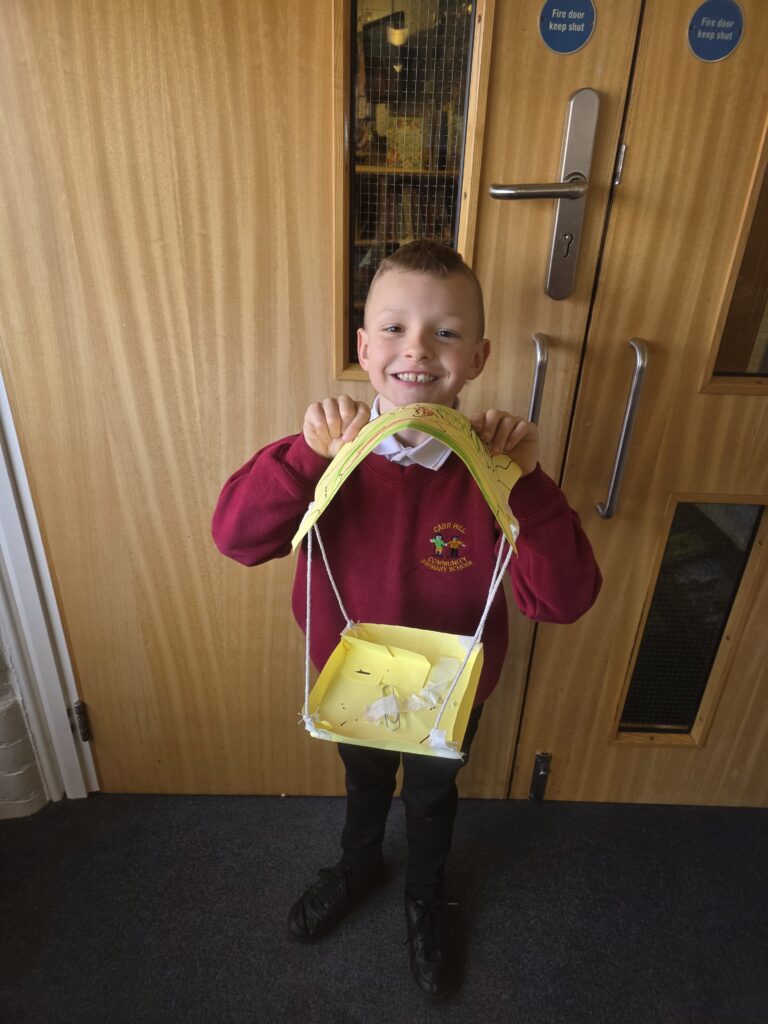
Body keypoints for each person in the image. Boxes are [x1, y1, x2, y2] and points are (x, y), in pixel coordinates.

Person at [212, 240, 601, 1001]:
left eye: (445, 333)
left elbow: (563, 600)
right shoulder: (325, 456)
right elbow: (237, 538)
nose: (417, 349)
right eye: (394, 329)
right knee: (362, 779)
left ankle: (426, 892)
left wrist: (526, 485)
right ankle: (358, 864)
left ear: (478, 357)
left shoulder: (497, 471)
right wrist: (304, 457)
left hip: (449, 689)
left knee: (430, 794)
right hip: (351, 676)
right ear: (364, 349)